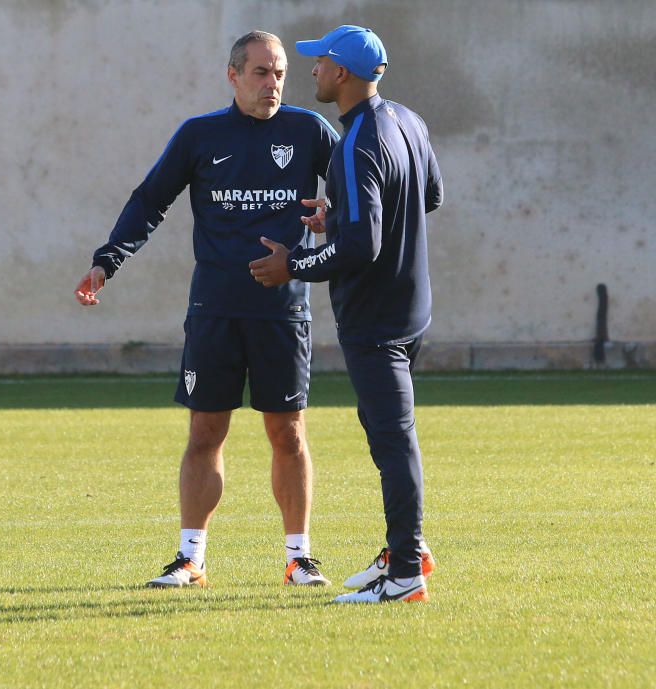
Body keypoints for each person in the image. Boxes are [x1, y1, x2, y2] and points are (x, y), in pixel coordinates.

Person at [75, 31, 339, 587]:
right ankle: (190, 557)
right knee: (204, 433)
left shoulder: (310, 131)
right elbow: (149, 200)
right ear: (234, 74)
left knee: (288, 434)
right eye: (262, 72)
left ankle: (299, 557)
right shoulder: (200, 136)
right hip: (215, 309)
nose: (273, 83)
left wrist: (327, 220)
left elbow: (353, 197)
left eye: (281, 73)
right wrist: (107, 262)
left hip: (283, 312)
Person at [249, 25, 443, 603]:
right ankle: (407, 548)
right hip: (412, 312)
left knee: (393, 440)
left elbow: (363, 248)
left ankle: (406, 574)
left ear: (343, 74)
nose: (312, 70)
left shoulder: (357, 140)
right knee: (388, 434)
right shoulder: (407, 119)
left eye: (321, 62)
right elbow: (427, 194)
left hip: (377, 320)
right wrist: (340, 219)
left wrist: (295, 266)